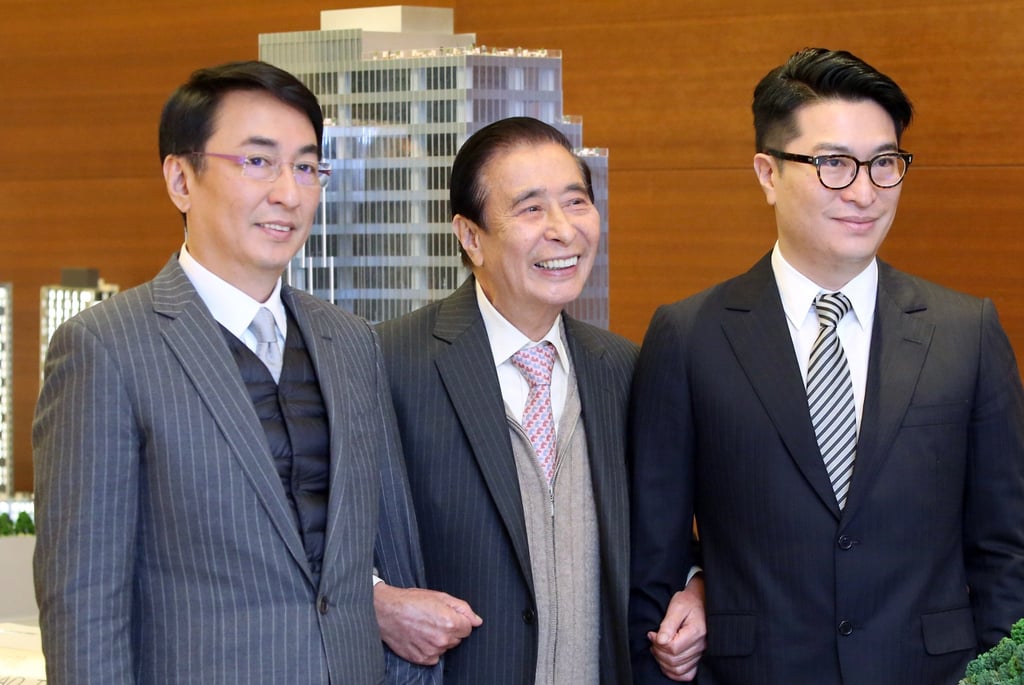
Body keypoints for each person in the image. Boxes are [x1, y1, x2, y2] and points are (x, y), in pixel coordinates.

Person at [628, 47, 1024, 685]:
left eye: (884, 163)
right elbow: (653, 556)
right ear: (767, 173)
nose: (864, 193)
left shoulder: (966, 331)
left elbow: (1006, 548)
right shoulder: (689, 335)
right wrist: (694, 588)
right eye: (833, 163)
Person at [32, 60, 430, 683]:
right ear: (180, 180)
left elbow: (386, 559)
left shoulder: (352, 342)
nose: (289, 193)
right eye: (258, 161)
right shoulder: (105, 348)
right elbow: (83, 607)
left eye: (306, 167)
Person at [373, 116, 706, 684]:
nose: (563, 230)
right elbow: (316, 527)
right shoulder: (388, 360)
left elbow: (669, 534)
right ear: (470, 236)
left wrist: (697, 588)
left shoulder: (626, 368)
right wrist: (376, 600)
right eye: (530, 209)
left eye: (576, 202)